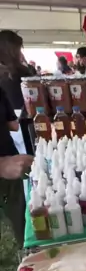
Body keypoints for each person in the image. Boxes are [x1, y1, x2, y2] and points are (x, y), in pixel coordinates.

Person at [0, 85, 33, 246]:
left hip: (12, 167)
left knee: (20, 220)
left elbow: (13, 125)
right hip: (7, 165)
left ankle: (25, 250)